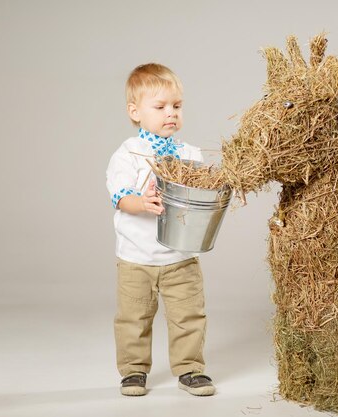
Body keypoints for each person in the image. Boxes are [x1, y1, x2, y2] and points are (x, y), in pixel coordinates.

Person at [106, 63, 215, 397]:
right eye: (161, 107)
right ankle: (134, 371)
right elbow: (121, 197)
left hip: (180, 256)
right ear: (134, 111)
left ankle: (190, 369)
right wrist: (143, 202)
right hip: (136, 257)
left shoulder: (190, 153)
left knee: (188, 316)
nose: (171, 114)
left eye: (177, 106)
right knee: (134, 318)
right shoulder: (128, 154)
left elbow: (204, 192)